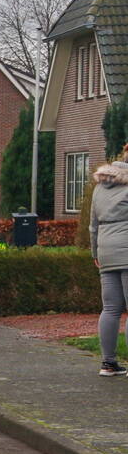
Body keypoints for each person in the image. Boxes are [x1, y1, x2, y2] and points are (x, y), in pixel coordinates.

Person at [89, 160, 128, 376]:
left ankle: (108, 363)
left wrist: (95, 252)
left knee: (111, 308)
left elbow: (92, 224)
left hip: (106, 250)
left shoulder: (99, 187)